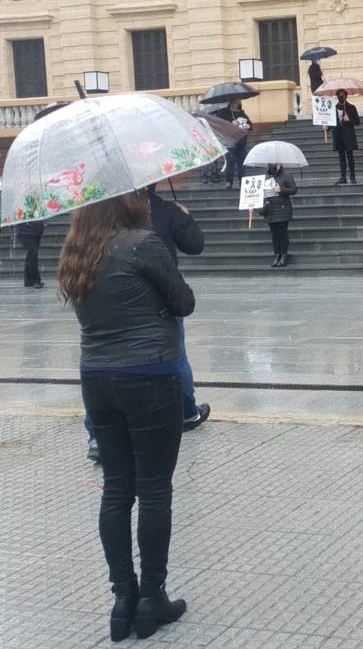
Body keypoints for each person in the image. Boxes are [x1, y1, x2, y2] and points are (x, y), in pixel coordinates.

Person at [59, 192, 194, 642]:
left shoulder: (77, 250)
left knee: (117, 490)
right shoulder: (143, 243)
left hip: (97, 378)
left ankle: (123, 599)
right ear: (126, 204)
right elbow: (184, 302)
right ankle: (152, 598)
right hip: (150, 375)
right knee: (154, 490)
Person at [85, 184, 210, 461]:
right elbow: (184, 296)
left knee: (104, 364)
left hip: (100, 337)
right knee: (176, 359)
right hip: (155, 318)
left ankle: (96, 436)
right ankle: (187, 412)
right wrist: (184, 217)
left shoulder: (89, 232)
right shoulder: (156, 223)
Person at [262, 162, 298, 268]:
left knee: (282, 233)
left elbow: (294, 189)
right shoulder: (266, 177)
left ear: (280, 165)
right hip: (270, 209)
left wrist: (281, 190)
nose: (275, 166)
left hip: (283, 209)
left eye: (277, 164)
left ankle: (284, 255)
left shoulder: (286, 175)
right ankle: (276, 255)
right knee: (274, 234)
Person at [212, 100, 251, 190]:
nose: (235, 104)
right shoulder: (223, 113)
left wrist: (248, 126)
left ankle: (242, 181)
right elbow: (220, 125)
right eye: (234, 102)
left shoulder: (242, 113)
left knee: (241, 162)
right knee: (230, 162)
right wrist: (230, 123)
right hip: (230, 142)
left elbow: (250, 124)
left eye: (237, 102)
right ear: (230, 102)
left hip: (241, 141)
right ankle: (229, 181)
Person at [332, 88, 360, 185]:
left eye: (342, 95)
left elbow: (357, 122)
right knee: (341, 158)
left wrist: (349, 120)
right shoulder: (333, 108)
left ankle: (352, 176)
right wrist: (326, 126)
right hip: (339, 136)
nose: (341, 97)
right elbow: (332, 123)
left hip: (348, 136)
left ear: (346, 96)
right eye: (339, 96)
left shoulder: (351, 107)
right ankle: (343, 177)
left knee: (350, 157)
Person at [16, 220, 44, 288]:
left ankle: (28, 280)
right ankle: (35, 280)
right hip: (25, 231)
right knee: (33, 252)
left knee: (31, 254)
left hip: (37, 230)